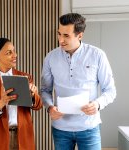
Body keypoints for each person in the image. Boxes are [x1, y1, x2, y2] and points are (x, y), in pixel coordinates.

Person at [41, 13, 116, 150]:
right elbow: (45, 90)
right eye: (59, 34)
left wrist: (98, 104)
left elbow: (110, 90)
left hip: (89, 128)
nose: (60, 40)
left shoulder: (97, 55)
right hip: (60, 129)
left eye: (66, 36)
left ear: (80, 35)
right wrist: (50, 107)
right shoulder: (50, 57)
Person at [0, 38, 43, 150]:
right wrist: (1, 103)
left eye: (14, 51)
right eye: (9, 53)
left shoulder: (25, 77)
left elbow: (39, 106)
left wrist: (33, 96)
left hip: (22, 136)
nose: (15, 55)